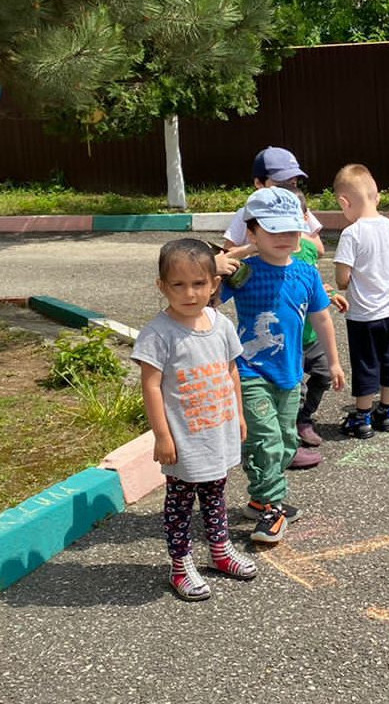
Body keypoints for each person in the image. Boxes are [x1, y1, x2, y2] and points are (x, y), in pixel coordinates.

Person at [132, 239, 256, 601]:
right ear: (162, 286)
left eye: (199, 283)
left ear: (214, 283)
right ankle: (180, 563)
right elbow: (151, 386)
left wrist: (239, 414)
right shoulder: (159, 334)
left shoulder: (222, 325)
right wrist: (162, 436)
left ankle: (220, 550)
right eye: (178, 285)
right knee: (180, 503)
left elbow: (231, 371)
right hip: (183, 439)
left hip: (217, 431)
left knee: (216, 494)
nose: (189, 293)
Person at [220, 187, 345, 544]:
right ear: (252, 231)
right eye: (273, 230)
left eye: (292, 230)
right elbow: (205, 298)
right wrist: (228, 259)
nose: (284, 238)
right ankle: (272, 509)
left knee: (287, 441)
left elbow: (322, 318)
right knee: (266, 439)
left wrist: (335, 362)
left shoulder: (306, 273)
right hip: (250, 371)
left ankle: (259, 499)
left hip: (290, 374)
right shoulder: (243, 272)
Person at [222, 146, 325, 469]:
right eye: (281, 182)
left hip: (297, 327)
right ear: (259, 182)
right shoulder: (249, 216)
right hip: (254, 355)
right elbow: (225, 260)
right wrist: (249, 251)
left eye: (293, 181)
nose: (289, 187)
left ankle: (293, 432)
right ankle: (269, 472)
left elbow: (316, 245)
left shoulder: (296, 210)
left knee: (301, 387)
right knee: (268, 429)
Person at [332, 164, 389, 438]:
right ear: (377, 197)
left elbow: (342, 279)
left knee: (365, 364)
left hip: (363, 316)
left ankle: (362, 417)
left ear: (345, 202)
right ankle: (387, 412)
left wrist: (344, 281)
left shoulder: (351, 233)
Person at [291, 190, 348, 455]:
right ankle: (290, 431)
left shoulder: (309, 249)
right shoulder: (270, 255)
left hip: (311, 334)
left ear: (305, 218)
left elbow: (314, 282)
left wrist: (329, 294)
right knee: (295, 388)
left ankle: (304, 418)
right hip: (289, 339)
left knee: (324, 374)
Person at [222, 146, 325, 258]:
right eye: (279, 185)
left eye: (292, 184)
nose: (286, 190)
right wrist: (256, 246)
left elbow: (319, 250)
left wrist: (294, 233)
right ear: (258, 183)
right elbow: (227, 252)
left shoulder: (297, 209)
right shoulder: (247, 213)